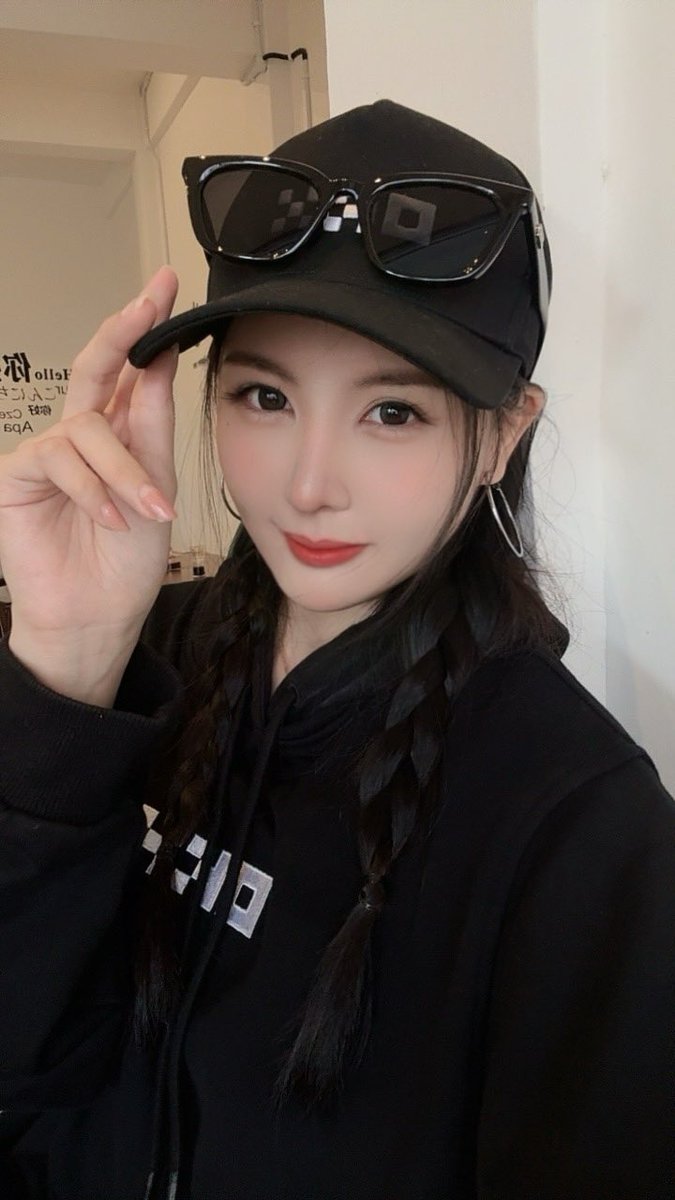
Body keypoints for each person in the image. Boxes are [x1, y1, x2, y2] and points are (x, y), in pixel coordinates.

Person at [0, 100, 673, 1200]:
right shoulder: (140, 656)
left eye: (392, 413)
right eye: (264, 396)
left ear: (502, 434)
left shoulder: (575, 817)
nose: (309, 483)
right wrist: (66, 666)